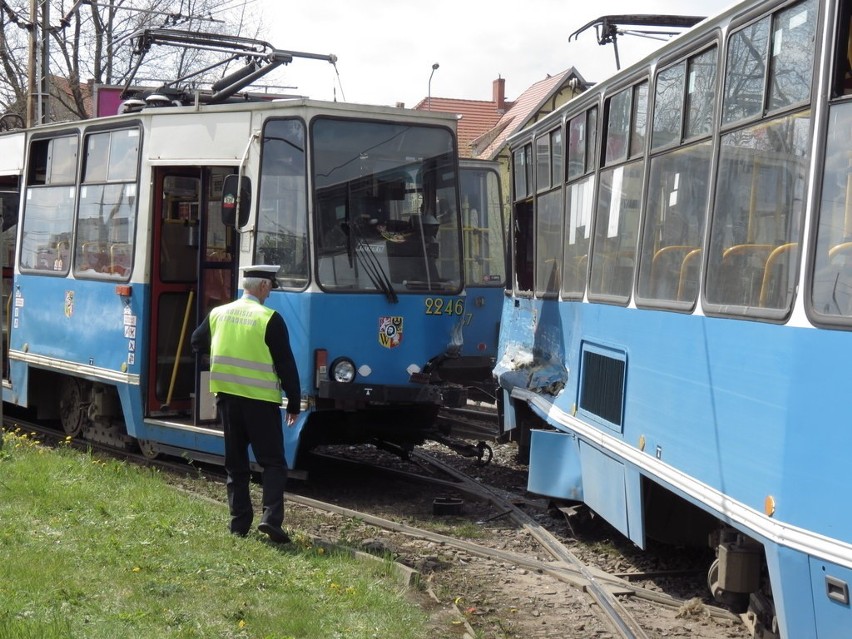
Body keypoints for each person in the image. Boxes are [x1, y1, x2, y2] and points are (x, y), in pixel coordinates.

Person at [191, 264, 301, 543]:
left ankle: (239, 524)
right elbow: (286, 364)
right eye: (271, 287)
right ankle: (270, 520)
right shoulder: (269, 318)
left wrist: (217, 353)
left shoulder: (219, 314)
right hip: (261, 402)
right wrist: (294, 402)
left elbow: (196, 341)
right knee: (273, 463)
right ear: (263, 286)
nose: (271, 292)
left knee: (236, 464)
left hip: (228, 399)